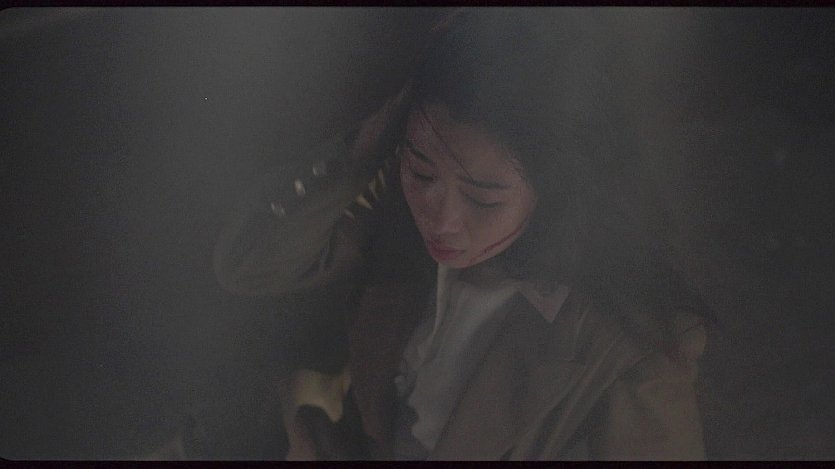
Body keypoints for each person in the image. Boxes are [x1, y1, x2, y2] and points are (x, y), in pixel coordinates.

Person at [213, 9, 710, 460]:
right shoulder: (398, 210)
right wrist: (361, 154)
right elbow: (248, 266)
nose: (441, 219)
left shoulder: (628, 344)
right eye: (421, 169)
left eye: (482, 198)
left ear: (559, 189)